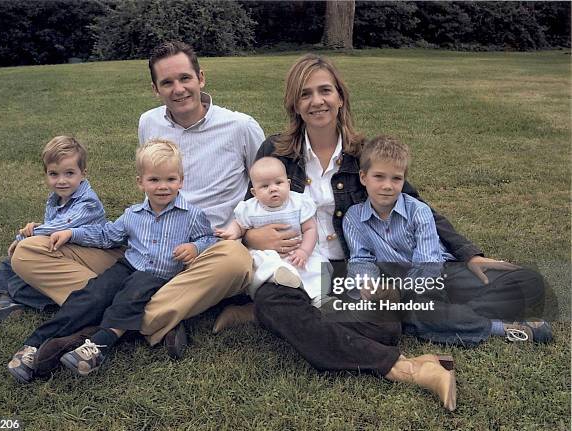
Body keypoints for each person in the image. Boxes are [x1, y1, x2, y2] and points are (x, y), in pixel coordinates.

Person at [214, 54, 462, 411]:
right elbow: (247, 209)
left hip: (346, 268)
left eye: (325, 90)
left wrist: (469, 252)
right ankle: (411, 370)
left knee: (385, 329)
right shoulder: (275, 152)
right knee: (276, 298)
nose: (317, 101)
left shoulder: (363, 153)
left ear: (340, 97)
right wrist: (252, 238)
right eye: (306, 94)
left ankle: (261, 316)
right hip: (290, 265)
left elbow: (415, 205)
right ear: (295, 104)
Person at [10, 41, 265, 356]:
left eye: (185, 78)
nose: (178, 89)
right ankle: (158, 314)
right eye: (167, 82)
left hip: (203, 252)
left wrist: (250, 231)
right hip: (144, 248)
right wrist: (46, 230)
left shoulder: (241, 127)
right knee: (28, 253)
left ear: (201, 78)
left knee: (236, 262)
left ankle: (104, 319)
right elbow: (151, 180)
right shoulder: (150, 122)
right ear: (155, 89)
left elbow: (264, 188)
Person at [7, 139, 219, 383]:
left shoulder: (192, 215)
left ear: (181, 180)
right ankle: (32, 346)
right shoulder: (133, 215)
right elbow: (107, 235)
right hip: (128, 265)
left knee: (131, 296)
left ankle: (98, 346)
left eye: (170, 180)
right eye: (154, 180)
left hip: (159, 274)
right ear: (140, 182)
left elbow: (208, 238)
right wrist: (72, 233)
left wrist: (195, 246)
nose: (163, 187)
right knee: (91, 296)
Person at [343, 135, 552, 344]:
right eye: (379, 176)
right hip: (409, 293)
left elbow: (429, 266)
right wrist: (367, 283)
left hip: (441, 275)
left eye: (396, 178)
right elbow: (361, 259)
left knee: (529, 281)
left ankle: (447, 317)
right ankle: (499, 327)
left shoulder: (418, 211)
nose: (387, 185)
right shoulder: (354, 217)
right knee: (413, 309)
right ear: (363, 177)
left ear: (404, 180)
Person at [0, 136, 106, 331]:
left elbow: (64, 224)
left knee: (24, 271)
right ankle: (6, 301)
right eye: (54, 174)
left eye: (69, 173)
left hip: (86, 255)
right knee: (12, 261)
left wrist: (26, 236)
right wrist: (36, 229)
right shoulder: (55, 199)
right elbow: (53, 226)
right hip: (63, 248)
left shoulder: (88, 202)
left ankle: (13, 296)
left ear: (83, 174)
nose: (61, 181)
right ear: (46, 174)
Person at [215, 156, 329, 308]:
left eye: (278, 182)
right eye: (265, 186)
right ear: (254, 192)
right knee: (260, 264)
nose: (273, 188)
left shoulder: (298, 203)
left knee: (316, 266)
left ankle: (319, 297)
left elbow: (310, 229)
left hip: (297, 252)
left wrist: (304, 251)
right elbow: (239, 225)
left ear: (288, 184)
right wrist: (232, 232)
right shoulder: (250, 208)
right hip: (268, 255)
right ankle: (280, 276)